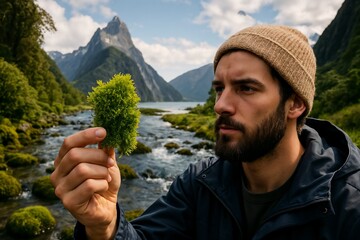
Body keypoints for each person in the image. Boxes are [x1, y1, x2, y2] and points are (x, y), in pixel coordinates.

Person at [50, 25, 360, 240]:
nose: (220, 105)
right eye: (219, 89)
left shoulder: (349, 206)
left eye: (246, 88)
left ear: (295, 104)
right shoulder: (199, 184)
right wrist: (104, 227)